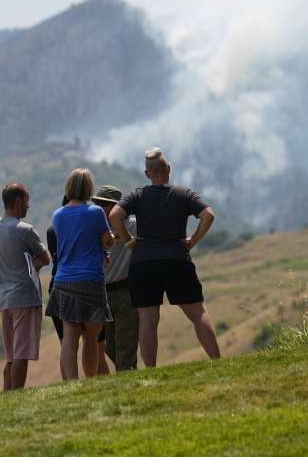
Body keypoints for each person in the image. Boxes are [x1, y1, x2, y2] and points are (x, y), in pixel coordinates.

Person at [109, 148, 221, 367]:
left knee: (148, 320)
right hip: (177, 260)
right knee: (198, 313)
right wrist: (192, 241)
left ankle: (151, 369)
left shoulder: (137, 195)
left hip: (144, 263)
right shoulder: (183, 194)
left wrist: (128, 240)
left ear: (147, 173)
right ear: (168, 169)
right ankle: (217, 361)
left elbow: (114, 215)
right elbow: (208, 215)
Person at [45, 168, 114, 380]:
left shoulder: (57, 215)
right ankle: (91, 380)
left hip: (63, 280)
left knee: (69, 336)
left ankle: (72, 383)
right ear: (89, 188)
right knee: (91, 338)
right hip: (90, 278)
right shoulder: (95, 212)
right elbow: (106, 240)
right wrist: (111, 238)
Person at [0, 183, 51, 390]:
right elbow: (45, 257)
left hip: (3, 298)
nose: (28, 205)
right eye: (26, 201)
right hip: (24, 296)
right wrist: (34, 264)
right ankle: (16, 395)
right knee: (21, 354)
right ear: (17, 202)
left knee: (10, 355)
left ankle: (7, 394)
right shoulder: (24, 230)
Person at [91, 185, 140, 371]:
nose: (98, 207)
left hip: (126, 291)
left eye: (102, 204)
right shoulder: (96, 227)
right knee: (109, 345)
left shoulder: (132, 224)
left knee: (126, 344)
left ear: (115, 207)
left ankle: (127, 379)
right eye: (96, 203)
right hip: (103, 293)